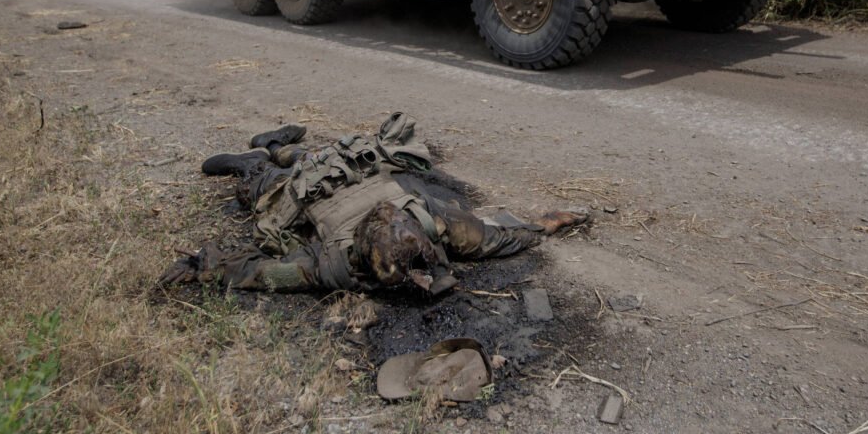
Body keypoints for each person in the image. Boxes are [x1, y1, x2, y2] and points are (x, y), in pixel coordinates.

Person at [160, 113, 585, 295]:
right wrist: (206, 268)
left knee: (317, 162)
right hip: (304, 190)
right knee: (263, 185)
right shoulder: (334, 263)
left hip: (338, 173)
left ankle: (272, 146)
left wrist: (542, 225)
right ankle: (258, 156)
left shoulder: (430, 221)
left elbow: (493, 236)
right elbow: (260, 272)